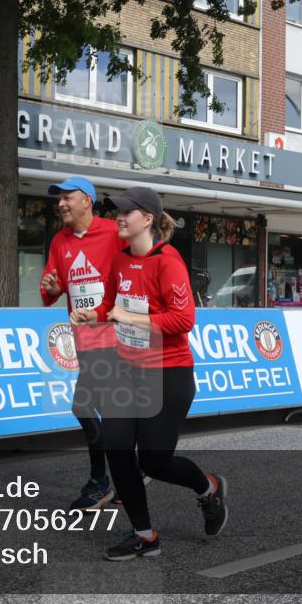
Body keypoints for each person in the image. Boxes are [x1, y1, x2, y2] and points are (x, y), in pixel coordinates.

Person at [72, 186, 227, 561]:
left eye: (126, 212)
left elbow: (184, 320)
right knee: (117, 446)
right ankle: (144, 534)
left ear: (147, 219)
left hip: (169, 373)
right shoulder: (120, 260)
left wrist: (129, 318)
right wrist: (95, 314)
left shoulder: (168, 262)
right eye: (117, 212)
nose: (119, 218)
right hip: (127, 370)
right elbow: (112, 303)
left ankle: (208, 489)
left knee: (155, 462)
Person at [39, 177, 127, 511]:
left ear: (87, 200)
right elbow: (51, 289)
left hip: (115, 334)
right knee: (106, 408)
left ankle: (100, 481)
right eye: (59, 199)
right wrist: (52, 286)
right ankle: (128, 472)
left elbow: (139, 265)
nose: (61, 204)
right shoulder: (60, 241)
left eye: (67, 198)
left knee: (84, 405)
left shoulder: (113, 232)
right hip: (84, 338)